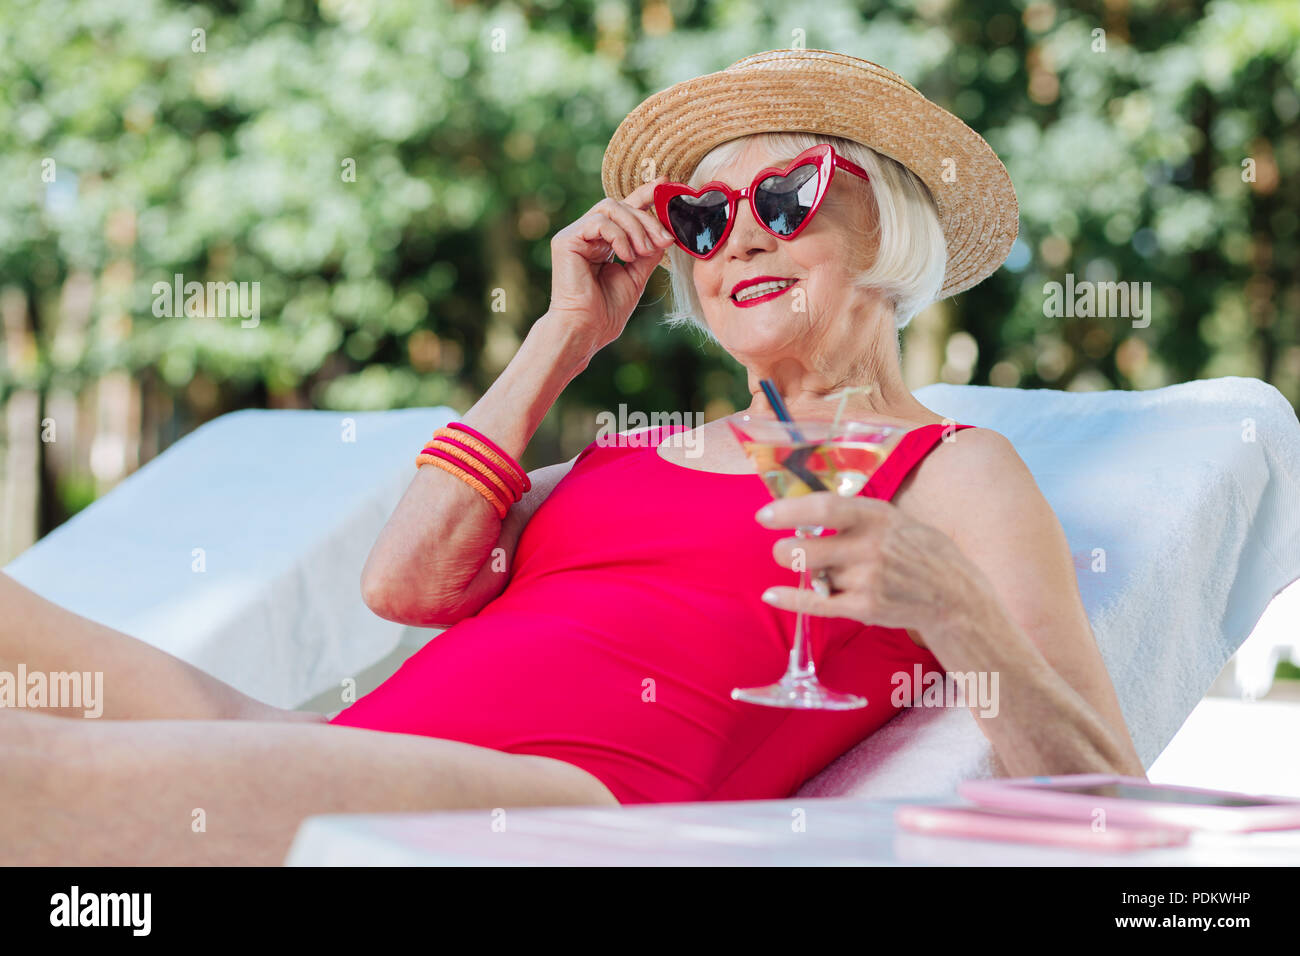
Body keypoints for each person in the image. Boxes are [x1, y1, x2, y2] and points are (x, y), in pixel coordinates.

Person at [0, 49, 1143, 866]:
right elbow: (404, 583)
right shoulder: (629, 454)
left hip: (551, 814)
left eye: (785, 197)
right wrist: (564, 335)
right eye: (700, 217)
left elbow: (1108, 798)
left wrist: (952, 607)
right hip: (339, 754)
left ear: (885, 225)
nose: (738, 232)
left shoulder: (945, 466)